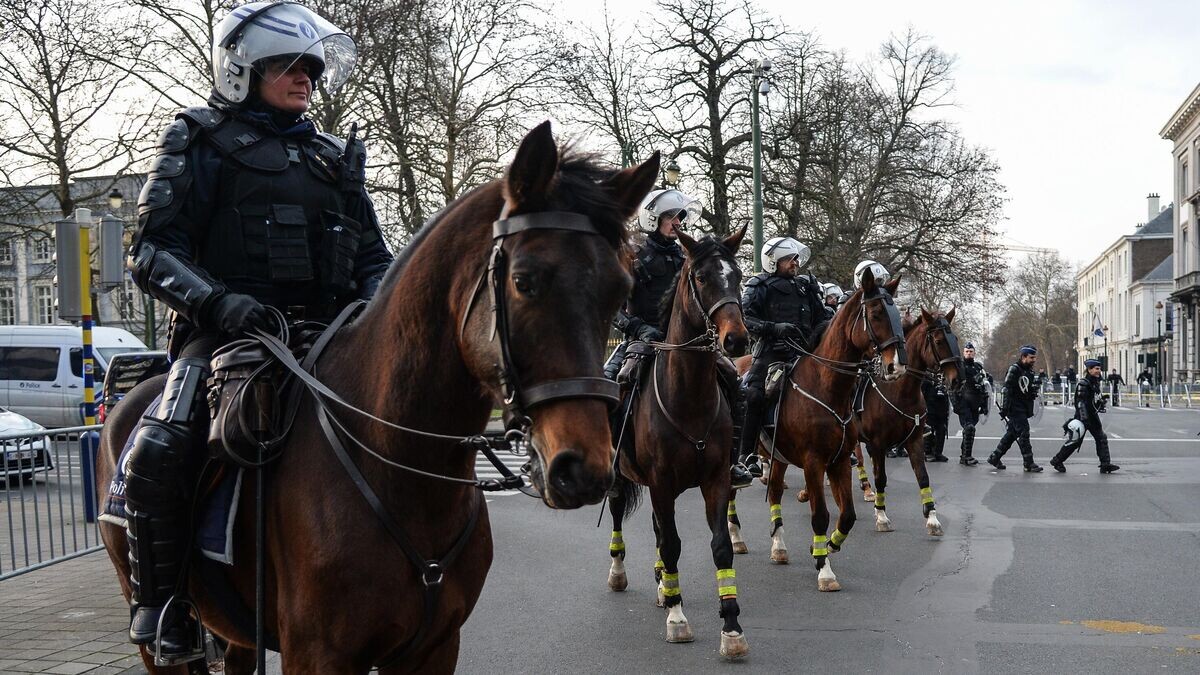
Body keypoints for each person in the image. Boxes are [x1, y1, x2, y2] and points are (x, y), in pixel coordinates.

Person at [123, 2, 392, 662]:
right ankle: (166, 606)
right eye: (289, 66)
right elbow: (152, 251)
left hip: (331, 337)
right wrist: (221, 302)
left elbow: (373, 258)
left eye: (312, 68)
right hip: (225, 336)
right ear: (243, 69)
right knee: (160, 446)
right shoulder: (198, 137)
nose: (306, 78)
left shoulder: (334, 156)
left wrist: (379, 306)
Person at [738, 237, 827, 482]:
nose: (795, 263)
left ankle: (842, 442)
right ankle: (747, 456)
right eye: (790, 259)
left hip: (803, 353)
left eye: (796, 259)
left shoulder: (805, 286)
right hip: (770, 353)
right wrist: (774, 328)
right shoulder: (759, 285)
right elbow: (746, 320)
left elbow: (821, 318)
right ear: (773, 261)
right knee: (753, 396)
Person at [604, 189, 693, 379]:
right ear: (653, 218)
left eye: (679, 217)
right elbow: (610, 307)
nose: (677, 222)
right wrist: (640, 329)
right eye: (671, 216)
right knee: (606, 387)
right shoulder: (631, 256)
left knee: (731, 377)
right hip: (641, 342)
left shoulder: (687, 258)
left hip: (685, 340)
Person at [1051, 359, 1119, 473]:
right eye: (1096, 369)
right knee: (1075, 441)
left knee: (1101, 438)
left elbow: (1092, 401)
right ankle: (1057, 460)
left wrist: (1100, 403)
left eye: (1099, 369)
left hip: (1092, 416)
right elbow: (1080, 403)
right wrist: (1084, 418)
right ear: (1089, 369)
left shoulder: (1094, 382)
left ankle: (1105, 464)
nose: (1099, 371)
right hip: (1083, 418)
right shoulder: (1083, 383)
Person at [988, 345, 1043, 472]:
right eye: (1031, 357)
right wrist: (1005, 408)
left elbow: (1025, 389)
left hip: (1023, 407)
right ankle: (1028, 463)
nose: (1034, 360)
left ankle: (995, 457)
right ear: (1023, 357)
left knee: (1012, 434)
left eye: (1034, 357)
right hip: (1015, 407)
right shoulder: (1014, 369)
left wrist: (1033, 390)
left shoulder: (1029, 371)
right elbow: (1007, 389)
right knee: (1024, 432)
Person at [952, 342, 989, 465]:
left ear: (974, 353)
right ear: (963, 353)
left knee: (970, 430)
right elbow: (952, 386)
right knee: (969, 428)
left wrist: (984, 405)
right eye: (967, 351)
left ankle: (964, 454)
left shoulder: (978, 367)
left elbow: (984, 387)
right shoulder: (959, 367)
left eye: (971, 351)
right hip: (964, 401)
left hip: (975, 403)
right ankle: (966, 456)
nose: (969, 353)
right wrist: (956, 404)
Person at [922, 377, 951, 462]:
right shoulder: (927, 380)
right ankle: (927, 453)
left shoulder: (943, 379)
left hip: (941, 410)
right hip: (930, 409)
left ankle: (938, 452)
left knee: (942, 431)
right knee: (929, 431)